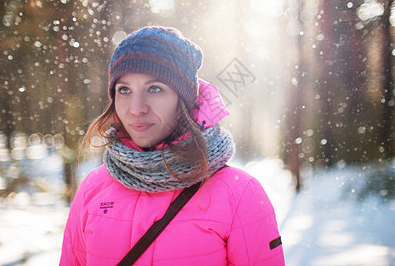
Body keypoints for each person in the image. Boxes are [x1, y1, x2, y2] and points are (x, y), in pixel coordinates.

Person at [60, 26, 285, 265]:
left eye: (154, 89)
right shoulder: (93, 189)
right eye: (124, 90)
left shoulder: (239, 194)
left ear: (184, 101)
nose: (137, 108)